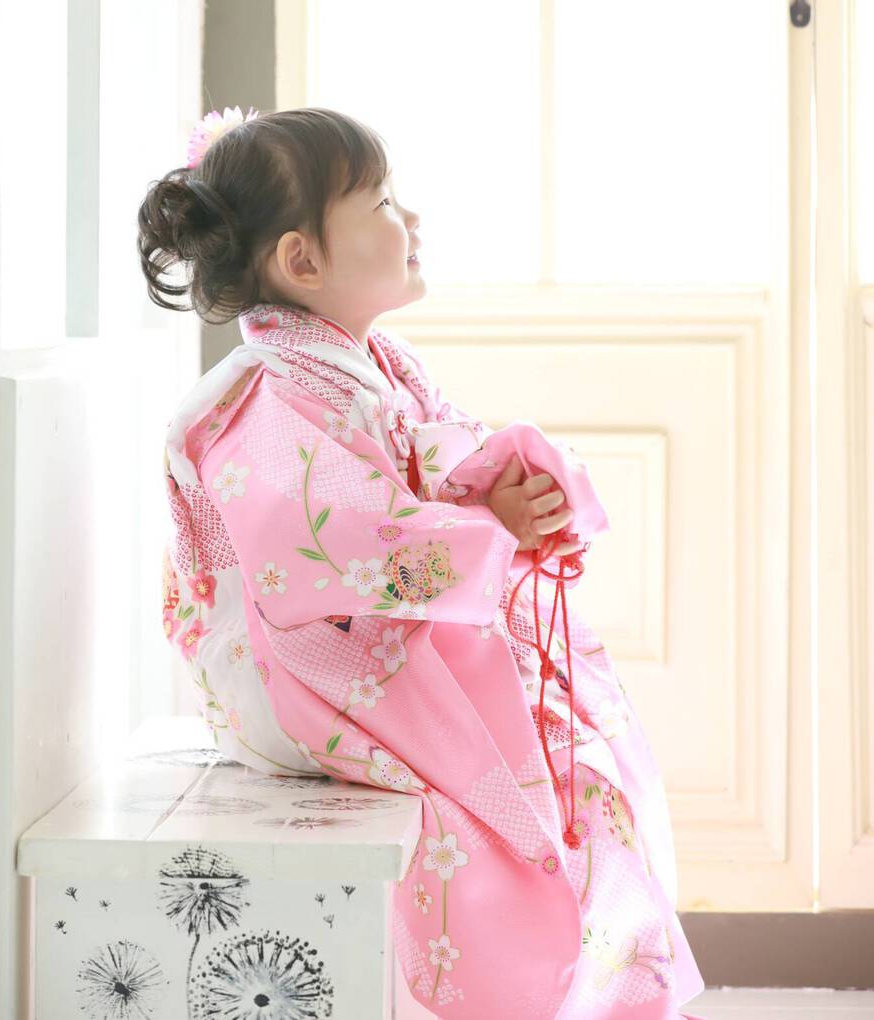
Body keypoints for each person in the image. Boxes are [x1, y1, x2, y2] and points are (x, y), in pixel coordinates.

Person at [137, 104, 707, 1020]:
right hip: (304, 666)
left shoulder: (376, 363)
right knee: (511, 804)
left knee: (580, 743)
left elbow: (434, 461)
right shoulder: (262, 400)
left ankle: (588, 987)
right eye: (381, 203)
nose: (410, 220)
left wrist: (503, 491)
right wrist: (489, 530)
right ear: (303, 261)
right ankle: (528, 990)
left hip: (372, 627)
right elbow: (336, 547)